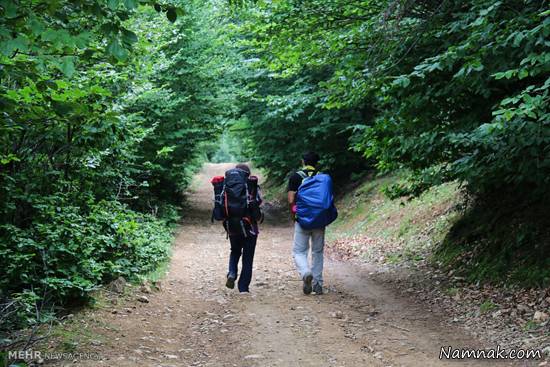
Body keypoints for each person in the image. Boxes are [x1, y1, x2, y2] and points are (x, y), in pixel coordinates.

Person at [287, 152, 325, 295]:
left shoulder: (296, 177)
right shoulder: (322, 177)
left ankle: (305, 273)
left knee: (299, 251)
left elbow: (291, 200)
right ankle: (318, 283)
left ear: (302, 161)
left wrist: (295, 214)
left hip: (302, 219)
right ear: (317, 163)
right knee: (318, 252)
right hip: (320, 219)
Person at [224, 163, 262, 293]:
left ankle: (232, 273)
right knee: (248, 257)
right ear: (247, 174)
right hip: (250, 228)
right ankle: (243, 288)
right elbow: (258, 203)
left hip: (232, 227)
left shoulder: (227, 186)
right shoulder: (251, 186)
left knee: (235, 251)